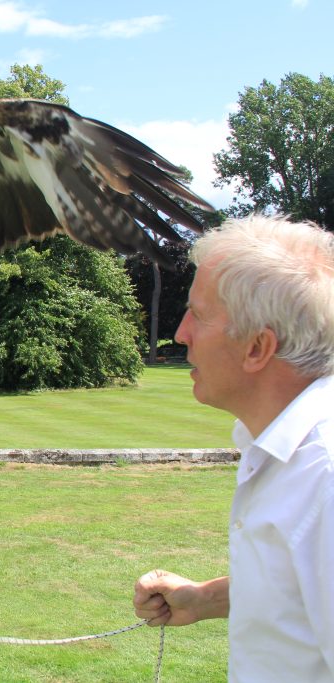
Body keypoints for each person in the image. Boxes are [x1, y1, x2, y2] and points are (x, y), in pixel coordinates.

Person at [133, 215, 334, 681]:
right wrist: (206, 598)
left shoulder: (323, 476)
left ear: (257, 348)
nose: (180, 333)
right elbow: (300, 589)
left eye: (198, 315)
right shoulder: (288, 453)